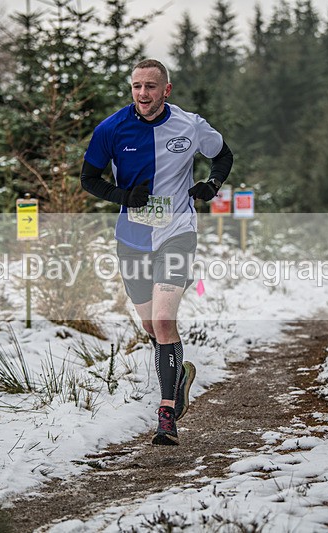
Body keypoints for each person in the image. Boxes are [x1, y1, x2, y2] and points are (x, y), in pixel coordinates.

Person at [81, 58, 233, 446]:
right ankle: (178, 374)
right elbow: (88, 179)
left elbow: (222, 154)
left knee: (165, 321)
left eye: (150, 87)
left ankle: (166, 413)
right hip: (132, 238)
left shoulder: (190, 124)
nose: (142, 94)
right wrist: (122, 196)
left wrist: (212, 184)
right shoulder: (111, 129)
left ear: (166, 90)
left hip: (177, 232)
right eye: (136, 87)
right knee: (151, 327)